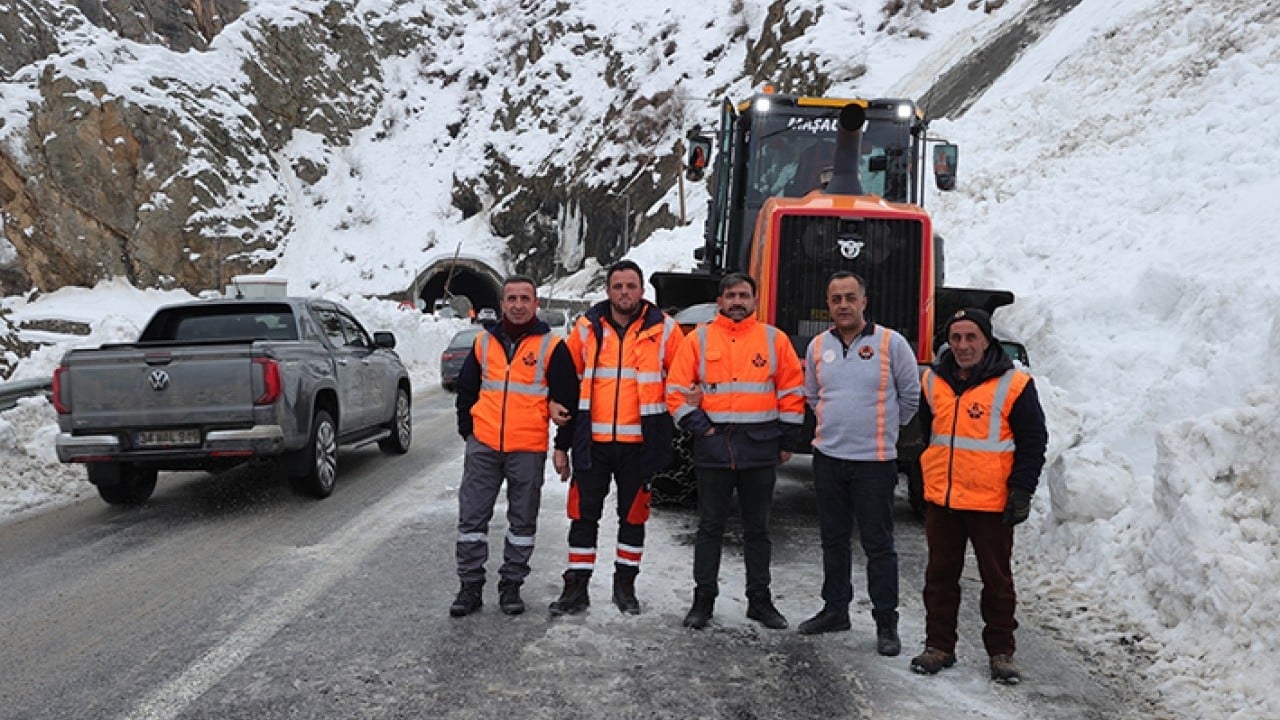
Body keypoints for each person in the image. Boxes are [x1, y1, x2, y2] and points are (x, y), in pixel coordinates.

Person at [909, 308, 1047, 685]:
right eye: (956, 338)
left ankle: (1001, 652)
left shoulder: (1014, 385)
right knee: (939, 577)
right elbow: (929, 433)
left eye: (971, 338)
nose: (963, 346)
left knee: (997, 582)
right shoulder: (933, 382)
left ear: (987, 341)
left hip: (991, 504)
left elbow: (1033, 442)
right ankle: (939, 645)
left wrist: (1022, 490)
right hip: (944, 502)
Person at [666, 272, 805, 630]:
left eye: (744, 295)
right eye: (731, 295)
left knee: (757, 529)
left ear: (755, 300)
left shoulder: (774, 340)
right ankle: (703, 601)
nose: (737, 301)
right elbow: (676, 391)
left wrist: (788, 440)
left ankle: (760, 601)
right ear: (720, 301)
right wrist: (702, 428)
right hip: (713, 449)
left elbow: (791, 391)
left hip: (759, 450)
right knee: (709, 527)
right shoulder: (698, 339)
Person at [548, 260, 684, 616]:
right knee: (582, 516)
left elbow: (682, 380)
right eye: (618, 286)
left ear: (642, 290)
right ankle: (576, 587)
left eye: (631, 286)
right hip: (592, 444)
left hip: (640, 446)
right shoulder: (587, 328)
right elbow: (567, 385)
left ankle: (625, 586)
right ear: (608, 290)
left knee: (633, 518)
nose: (624, 292)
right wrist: (561, 443)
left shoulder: (666, 330)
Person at [797, 272, 920, 657]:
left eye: (851, 297)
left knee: (878, 545)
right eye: (836, 299)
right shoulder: (818, 346)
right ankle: (836, 610)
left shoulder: (891, 344)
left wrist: (880, 432)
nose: (844, 305)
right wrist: (837, 425)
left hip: (874, 463)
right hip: (829, 460)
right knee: (833, 540)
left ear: (865, 301)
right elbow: (814, 396)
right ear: (828, 304)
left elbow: (910, 396)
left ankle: (886, 622)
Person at [450, 275, 578, 617]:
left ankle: (511, 586)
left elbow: (568, 401)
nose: (518, 305)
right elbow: (466, 389)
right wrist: (470, 432)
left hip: (527, 449)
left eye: (525, 298)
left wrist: (561, 445)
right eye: (512, 299)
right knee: (472, 519)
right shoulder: (483, 343)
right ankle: (470, 586)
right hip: (485, 446)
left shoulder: (552, 347)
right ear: (502, 303)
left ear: (536, 304)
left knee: (522, 523)